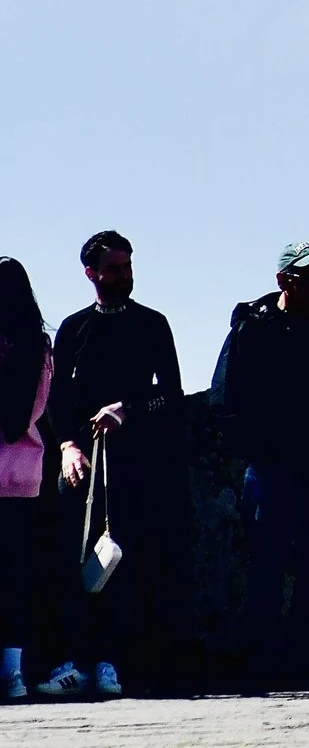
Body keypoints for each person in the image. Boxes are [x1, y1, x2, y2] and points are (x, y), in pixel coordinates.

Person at [209, 242, 309, 689]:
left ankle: (306, 662)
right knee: (267, 565)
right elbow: (224, 397)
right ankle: (264, 663)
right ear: (284, 280)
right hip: (273, 469)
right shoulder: (252, 327)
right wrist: (259, 448)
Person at [43, 231, 188, 698]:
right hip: (80, 466)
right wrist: (67, 445)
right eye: (113, 269)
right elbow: (54, 398)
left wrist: (129, 409)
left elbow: (172, 394)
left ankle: (111, 661)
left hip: (135, 465)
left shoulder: (152, 325)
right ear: (91, 274)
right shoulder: (74, 328)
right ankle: (74, 661)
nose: (124, 276)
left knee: (123, 562)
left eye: (127, 267)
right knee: (71, 560)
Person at [0, 259, 52, 704]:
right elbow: (28, 416)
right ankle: (13, 671)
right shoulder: (39, 347)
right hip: (22, 475)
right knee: (16, 576)